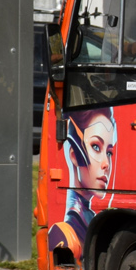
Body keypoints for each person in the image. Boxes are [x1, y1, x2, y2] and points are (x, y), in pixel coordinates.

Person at [46, 107, 116, 262]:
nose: (106, 164)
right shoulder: (66, 234)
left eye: (109, 152)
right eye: (96, 147)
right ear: (75, 155)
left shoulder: (92, 219)